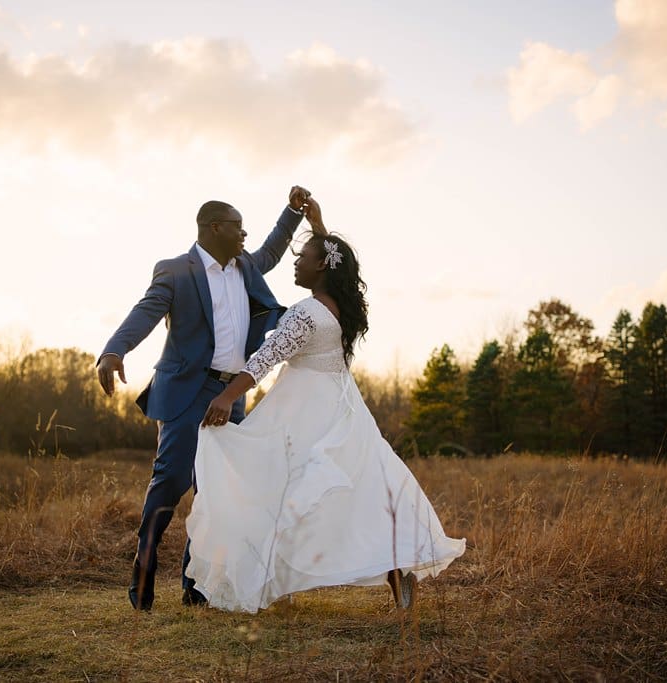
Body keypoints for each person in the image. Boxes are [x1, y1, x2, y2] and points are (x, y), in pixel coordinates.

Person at [184, 201, 466, 613]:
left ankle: (271, 577)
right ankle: (394, 562)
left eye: (303, 259)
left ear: (321, 269)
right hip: (343, 410)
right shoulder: (341, 311)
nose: (295, 265)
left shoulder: (305, 313)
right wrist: (317, 226)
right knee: (362, 489)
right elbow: (341, 267)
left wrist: (228, 396)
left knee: (275, 486)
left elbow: (266, 357)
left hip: (302, 411)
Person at [97, 186, 320, 611]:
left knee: (216, 493)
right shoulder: (175, 270)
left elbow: (273, 248)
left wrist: (292, 212)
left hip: (232, 393)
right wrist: (114, 350)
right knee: (170, 484)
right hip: (186, 392)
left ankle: (196, 586)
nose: (244, 235)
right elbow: (145, 312)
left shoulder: (247, 266)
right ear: (214, 228)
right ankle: (142, 576)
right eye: (238, 227)